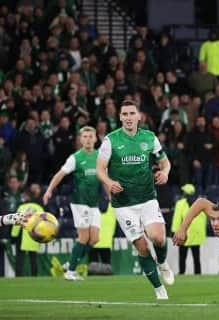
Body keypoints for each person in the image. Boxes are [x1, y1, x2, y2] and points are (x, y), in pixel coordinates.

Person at [96, 100, 174, 300]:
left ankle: (163, 263)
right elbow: (100, 169)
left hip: (147, 197)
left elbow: (165, 162)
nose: (129, 117)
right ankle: (158, 288)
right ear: (120, 117)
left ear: (139, 116)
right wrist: (109, 182)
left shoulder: (149, 138)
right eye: (125, 114)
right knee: (142, 247)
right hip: (123, 204)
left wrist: (164, 172)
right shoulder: (110, 140)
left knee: (157, 237)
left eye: (132, 113)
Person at [43, 126, 101, 281]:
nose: (88, 139)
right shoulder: (75, 157)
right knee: (83, 238)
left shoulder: (100, 156)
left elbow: (106, 176)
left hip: (94, 202)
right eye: (85, 136)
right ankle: (71, 272)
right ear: (80, 140)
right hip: (80, 202)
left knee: (94, 239)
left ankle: (70, 263)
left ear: (96, 138)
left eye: (91, 136)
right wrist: (49, 190)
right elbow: (60, 174)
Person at [171, 184, 205, 275]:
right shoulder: (200, 203)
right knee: (196, 257)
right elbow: (203, 219)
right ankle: (198, 275)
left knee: (183, 257)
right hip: (194, 234)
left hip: (184, 234)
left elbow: (177, 219)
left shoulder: (180, 203)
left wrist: (174, 232)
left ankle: (182, 273)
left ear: (185, 193)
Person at [12, 188, 42, 277]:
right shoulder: (39, 208)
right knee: (33, 259)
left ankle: (18, 276)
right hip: (34, 235)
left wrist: (14, 235)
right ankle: (34, 277)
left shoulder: (21, 207)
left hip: (22, 237)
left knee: (20, 259)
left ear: (27, 196)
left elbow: (16, 222)